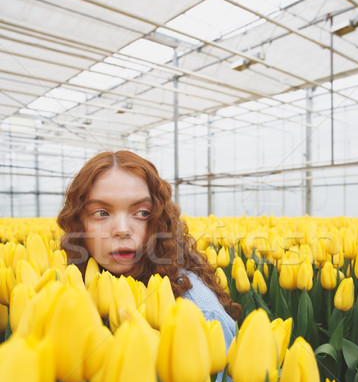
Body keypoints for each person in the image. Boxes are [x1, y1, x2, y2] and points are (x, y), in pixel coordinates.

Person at [57, 149, 239, 350]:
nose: (122, 230)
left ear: (160, 221)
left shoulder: (199, 311)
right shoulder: (70, 290)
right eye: (101, 213)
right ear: (78, 223)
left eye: (142, 213)